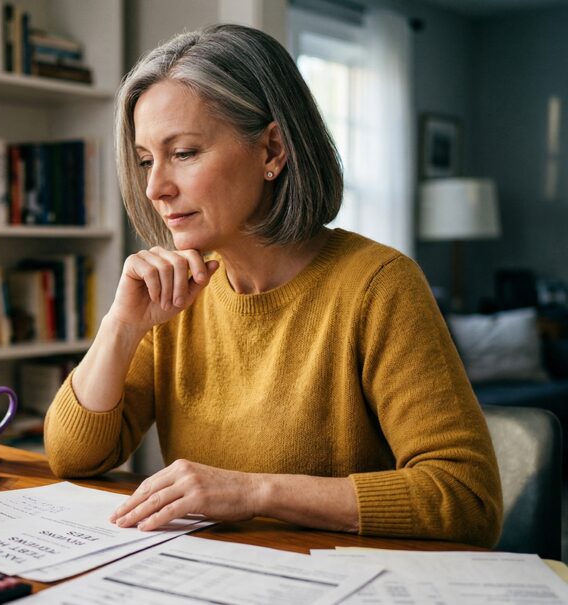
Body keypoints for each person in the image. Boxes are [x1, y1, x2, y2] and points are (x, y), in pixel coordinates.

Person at [43, 24, 502, 548]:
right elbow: (73, 455)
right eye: (147, 160)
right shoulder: (177, 293)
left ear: (272, 150)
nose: (155, 188)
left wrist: (256, 492)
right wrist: (121, 326)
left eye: (185, 153)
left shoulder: (378, 285)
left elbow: (468, 498)